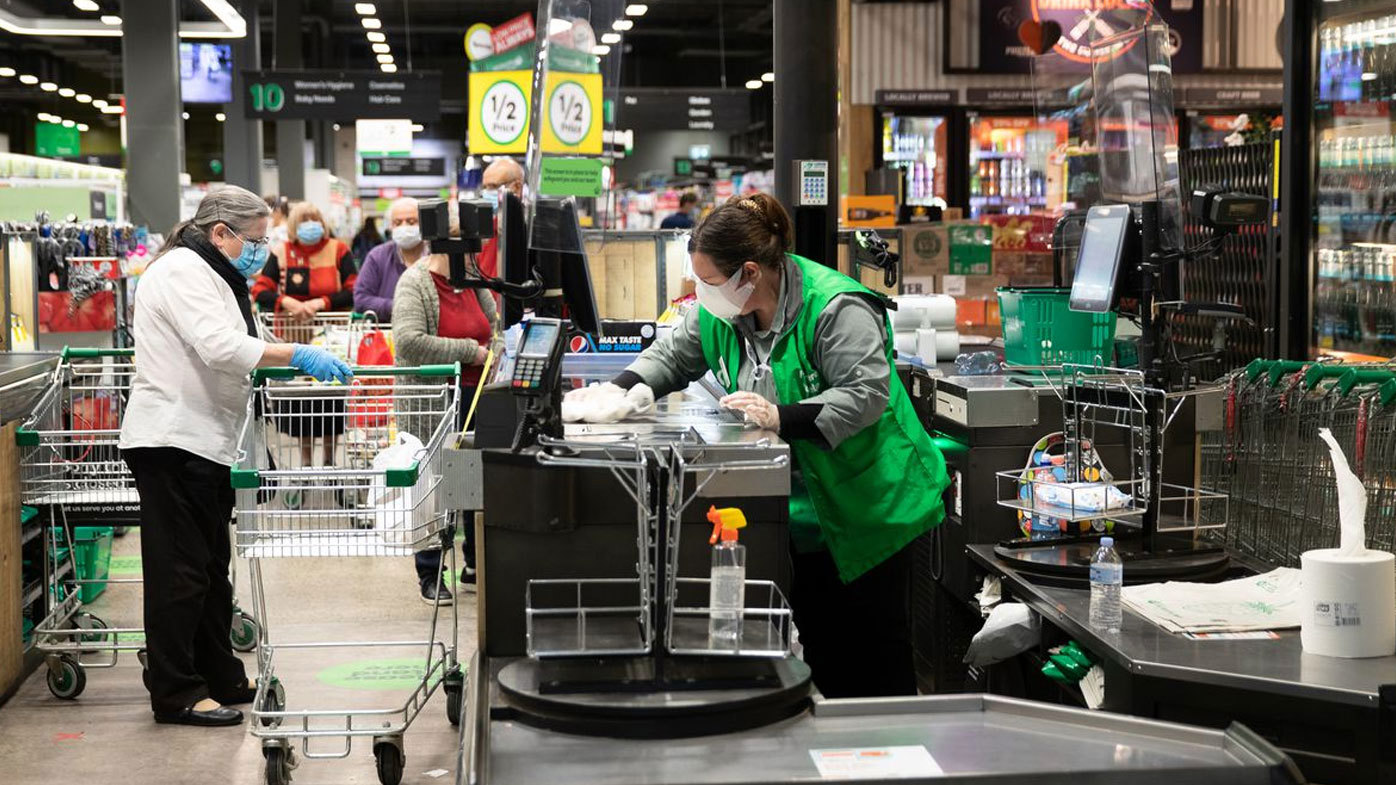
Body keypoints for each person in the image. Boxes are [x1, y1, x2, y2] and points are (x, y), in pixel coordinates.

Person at [594, 193, 949, 698]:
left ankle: (883, 740)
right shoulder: (720, 311)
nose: (701, 292)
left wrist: (781, 416)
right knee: (820, 648)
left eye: (709, 282)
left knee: (871, 657)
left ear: (750, 273)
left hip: (869, 504)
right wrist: (619, 390)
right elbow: (672, 355)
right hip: (801, 507)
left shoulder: (835, 307)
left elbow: (864, 394)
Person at [118, 186, 351, 727]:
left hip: (204, 442)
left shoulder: (216, 272)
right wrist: (297, 354)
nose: (262, 250)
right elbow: (220, 347)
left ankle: (219, 674)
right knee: (179, 574)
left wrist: (286, 362)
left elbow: (239, 343)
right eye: (255, 239)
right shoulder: (181, 270)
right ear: (220, 233)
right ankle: (175, 691)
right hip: (172, 441)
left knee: (209, 570)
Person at [393, 200, 500, 604]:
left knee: (468, 481)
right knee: (432, 489)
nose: (471, 260)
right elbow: (408, 340)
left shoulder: (471, 280)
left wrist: (496, 353)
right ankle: (430, 572)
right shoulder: (415, 282)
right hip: (434, 402)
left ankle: (473, 563)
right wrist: (470, 351)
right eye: (466, 253)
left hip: (474, 395)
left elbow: (494, 326)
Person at [252, 202, 359, 472]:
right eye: (303, 220)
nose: (310, 224)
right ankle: (306, 463)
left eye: (314, 219)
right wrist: (287, 302)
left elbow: (353, 289)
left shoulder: (338, 250)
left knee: (331, 400)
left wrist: (321, 303)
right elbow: (261, 291)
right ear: (293, 226)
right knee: (302, 404)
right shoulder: (281, 252)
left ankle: (330, 461)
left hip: (331, 337)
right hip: (293, 340)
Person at [354, 197, 426, 321]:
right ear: (390, 226)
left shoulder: (438, 256)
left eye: (411, 222)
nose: (404, 227)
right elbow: (361, 300)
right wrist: (399, 306)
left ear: (425, 224)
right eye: (397, 223)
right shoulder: (377, 257)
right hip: (387, 330)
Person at [477, 157, 525, 279]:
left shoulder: (530, 231)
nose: (487, 193)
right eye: (485, 187)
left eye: (493, 186)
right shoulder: (486, 230)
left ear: (517, 187)